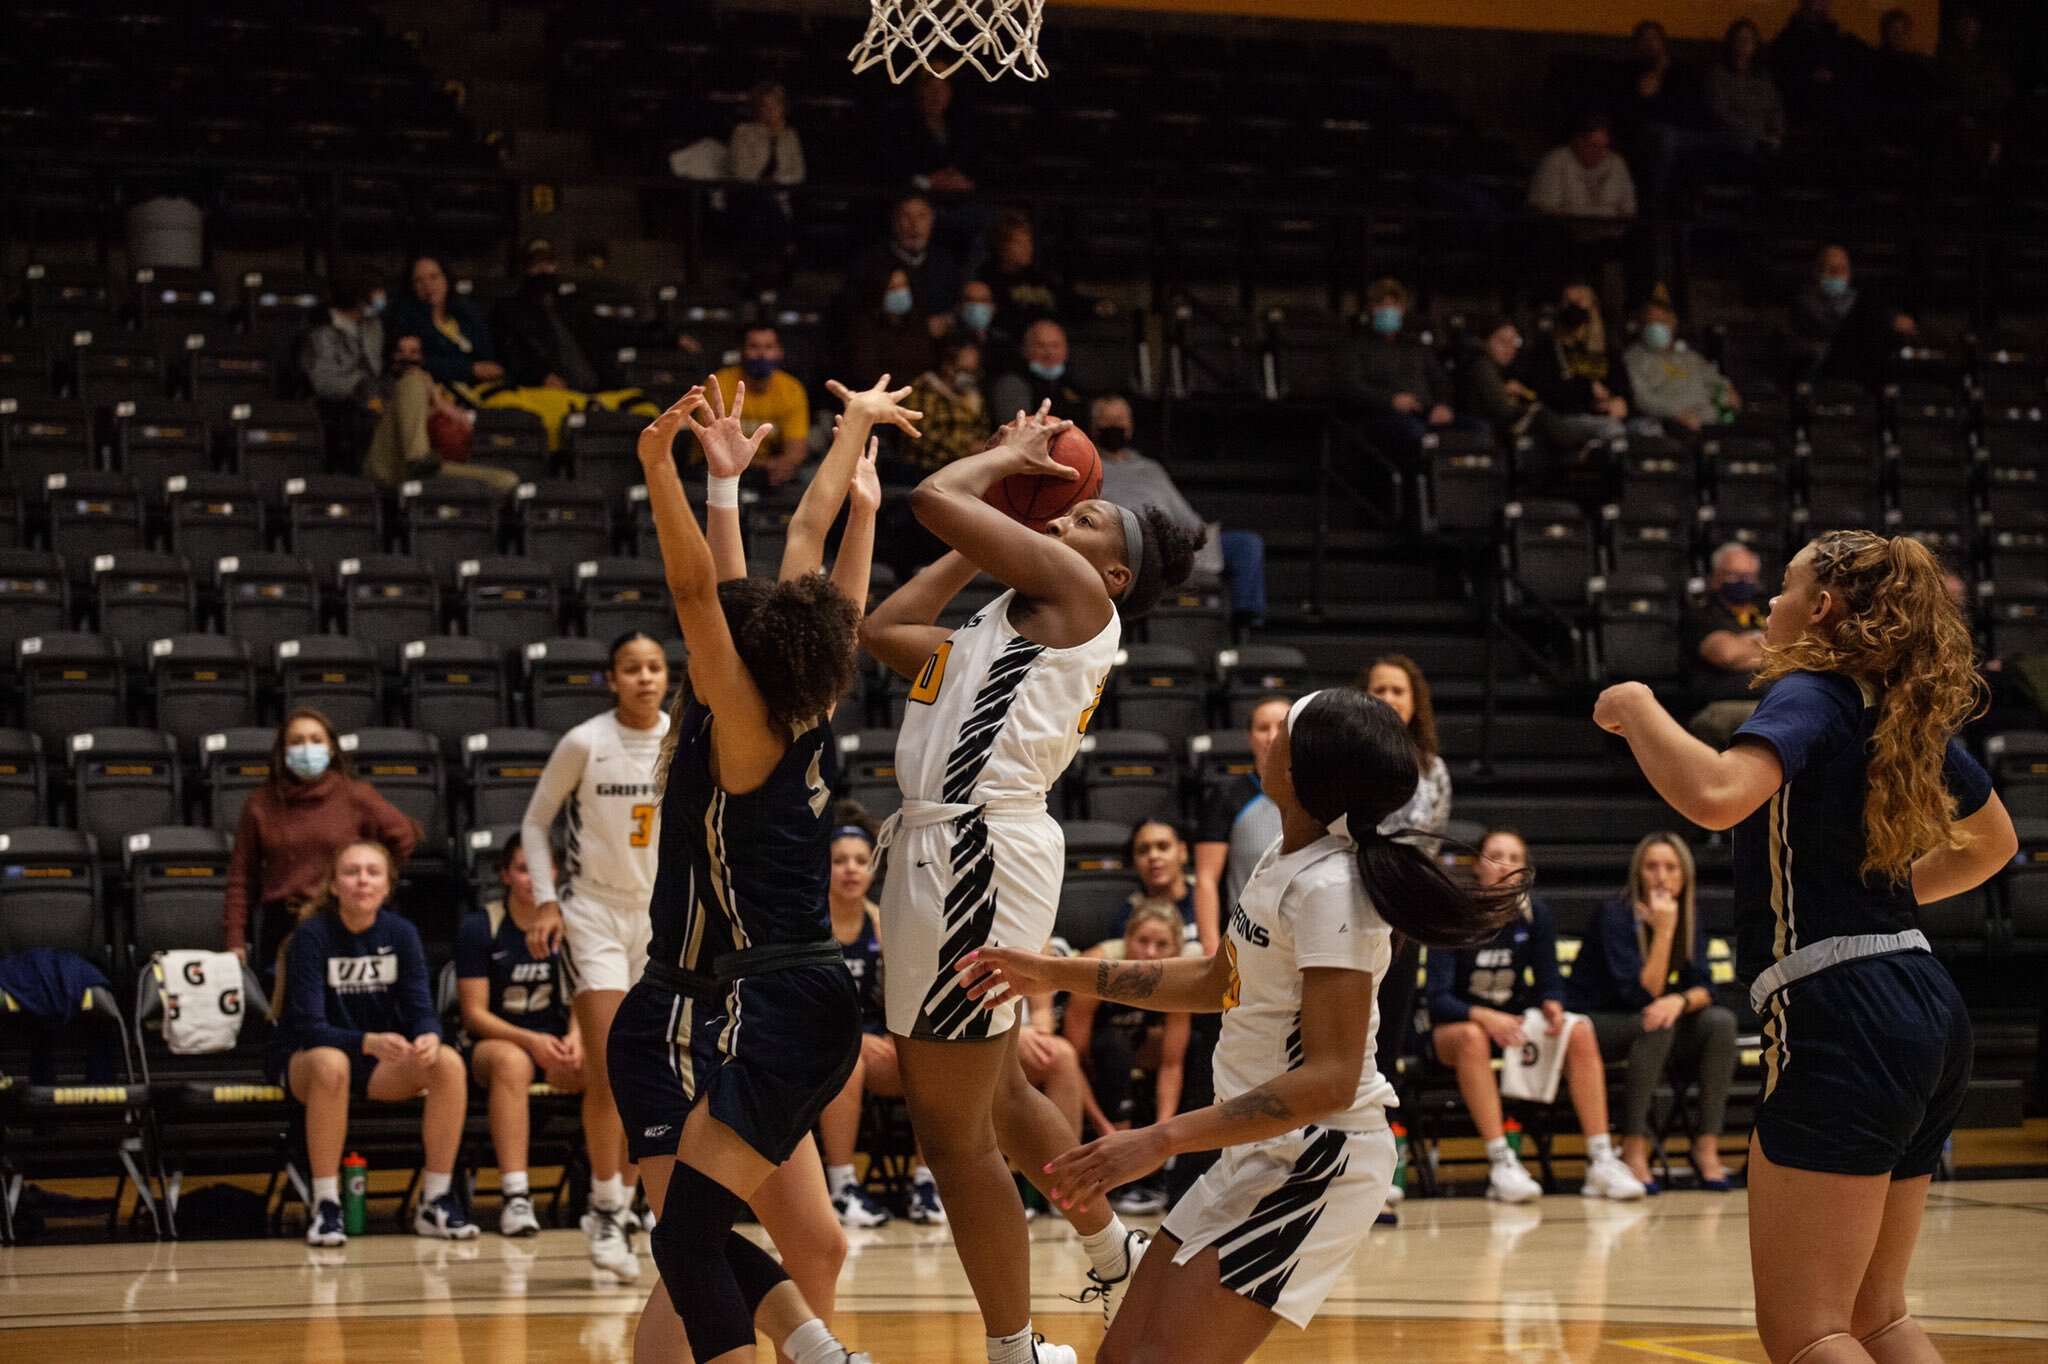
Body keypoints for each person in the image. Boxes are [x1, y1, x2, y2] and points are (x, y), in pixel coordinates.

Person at [955, 687, 1527, 1364]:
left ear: (1308, 769)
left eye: (1283, 731)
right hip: (1256, 1149)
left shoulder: (1333, 892)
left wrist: (1158, 1140)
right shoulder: (1281, 860)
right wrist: (1057, 973)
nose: (1266, 739)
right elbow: (1216, 981)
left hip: (1318, 1160)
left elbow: (1331, 1082)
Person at [1594, 529, 2017, 1364]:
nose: (1772, 608)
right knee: (1878, 1316)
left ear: (1819, 608)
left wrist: (1637, 707)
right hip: (1926, 1001)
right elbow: (1993, 845)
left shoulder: (1810, 692)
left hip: (1839, 1009)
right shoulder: (1901, 708)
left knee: (1811, 1331)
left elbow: (1717, 796)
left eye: (1784, 590)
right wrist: (1875, 893)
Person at [857, 405, 1206, 1362]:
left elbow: (932, 496)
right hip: (952, 849)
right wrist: (987, 527)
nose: (1061, 520)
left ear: (1115, 572)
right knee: (1001, 1093)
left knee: (948, 1128)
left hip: (973, 850)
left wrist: (996, 467)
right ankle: (1109, 1245)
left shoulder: (1081, 597)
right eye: (1056, 514)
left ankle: (1014, 1349)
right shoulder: (998, 635)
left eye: (1085, 519)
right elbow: (879, 627)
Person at [606, 373, 910, 1364]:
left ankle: (792, 1348)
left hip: (744, 1000)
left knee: (687, 1237)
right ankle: (814, 1348)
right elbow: (802, 558)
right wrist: (842, 438)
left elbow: (702, 592)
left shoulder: (738, 730)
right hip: (803, 996)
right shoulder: (814, 694)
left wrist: (661, 468)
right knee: (749, 1235)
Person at [515, 630, 670, 1281]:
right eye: (630, 667)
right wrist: (547, 901)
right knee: (609, 1067)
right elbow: (533, 822)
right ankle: (605, 1207)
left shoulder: (684, 739)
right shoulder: (585, 741)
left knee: (650, 1075)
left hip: (660, 919)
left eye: (654, 667)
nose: (643, 677)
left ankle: (636, 1207)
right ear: (612, 679)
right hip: (595, 916)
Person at [1425, 829, 1646, 1205]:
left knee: (1579, 1029)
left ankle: (1601, 1159)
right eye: (1496, 855)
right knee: (1471, 1037)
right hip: (1453, 1029)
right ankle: (1501, 1162)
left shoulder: (1534, 914)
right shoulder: (1454, 912)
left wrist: (1553, 1006)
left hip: (1509, 1023)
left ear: (1525, 869)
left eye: (1514, 857)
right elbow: (1437, 999)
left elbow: (1550, 983)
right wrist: (1484, 1017)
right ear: (1478, 865)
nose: (1505, 864)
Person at [273, 841, 477, 1245]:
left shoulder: (401, 933)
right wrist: (365, 1041)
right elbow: (309, 1026)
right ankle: (327, 1204)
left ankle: (435, 1201)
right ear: (334, 885)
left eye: (372, 872)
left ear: (387, 886)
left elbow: (421, 1007)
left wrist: (428, 1037)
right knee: (332, 1064)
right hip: (309, 1060)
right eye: (351, 872)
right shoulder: (311, 937)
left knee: (448, 1064)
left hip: (376, 1059)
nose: (362, 880)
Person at [1565, 832, 1738, 1193]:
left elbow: (1706, 985)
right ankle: (1633, 1145)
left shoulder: (1689, 916)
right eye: (1652, 866)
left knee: (1720, 1022)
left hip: (1653, 1023)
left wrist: (1681, 1001)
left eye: (1671, 867)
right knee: (1655, 1024)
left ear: (1684, 875)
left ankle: (1706, 1145)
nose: (1661, 875)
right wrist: (1663, 932)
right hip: (1596, 1024)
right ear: (1638, 873)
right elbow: (1640, 995)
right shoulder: (1614, 914)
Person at [815, 817, 947, 1229]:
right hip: (815, 1044)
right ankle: (840, 1187)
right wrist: (850, 1039)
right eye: (839, 861)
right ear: (824, 869)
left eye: (860, 860)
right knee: (847, 1065)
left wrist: (900, 1039)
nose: (851, 869)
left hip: (870, 1041)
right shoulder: (809, 922)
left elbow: (904, 996)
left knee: (931, 1065)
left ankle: (927, 1184)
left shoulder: (882, 923)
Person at [223, 708, 418, 969]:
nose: (306, 748)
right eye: (296, 742)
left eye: (316, 740)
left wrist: (374, 880)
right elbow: (240, 878)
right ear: (283, 751)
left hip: (342, 918)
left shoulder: (355, 794)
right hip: (283, 925)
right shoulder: (259, 803)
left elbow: (404, 835)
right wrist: (234, 939)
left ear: (331, 749)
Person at [456, 842, 584, 1238]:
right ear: (505, 874)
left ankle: (611, 1197)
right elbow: (474, 1015)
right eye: (524, 869)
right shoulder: (482, 926)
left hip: (555, 1041)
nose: (534, 879)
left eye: (543, 870)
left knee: (607, 1059)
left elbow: (589, 993)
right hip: (496, 1042)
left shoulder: (573, 924)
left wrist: (578, 1037)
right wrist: (531, 1041)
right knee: (513, 1062)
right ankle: (515, 1195)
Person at [1092, 395, 1268, 627]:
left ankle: (1244, 623)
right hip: (1131, 543)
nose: (1116, 426)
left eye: (1121, 420)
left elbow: (1185, 516)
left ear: (1131, 427)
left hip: (1173, 539)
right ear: (1095, 427)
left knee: (1246, 544)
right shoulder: (1090, 465)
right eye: (1109, 420)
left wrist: (1197, 535)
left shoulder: (1150, 468)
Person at [1064, 903, 1193, 1215]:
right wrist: (1104, 1127)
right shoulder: (1098, 965)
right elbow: (1074, 1061)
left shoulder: (1179, 975)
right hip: (1092, 1056)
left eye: (1161, 945)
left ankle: (1164, 1173)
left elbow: (1171, 1064)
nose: (1149, 953)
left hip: (1137, 1043)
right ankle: (1116, 1169)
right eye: (1142, 941)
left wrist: (1164, 1135)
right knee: (1114, 1049)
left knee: (1196, 1047)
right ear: (1126, 938)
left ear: (1175, 948)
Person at [361, 333, 522, 494]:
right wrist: (424, 398)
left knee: (506, 480)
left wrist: (438, 403)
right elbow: (369, 427)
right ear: (390, 355)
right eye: (400, 351)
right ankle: (417, 458)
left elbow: (463, 430)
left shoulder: (439, 391)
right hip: (389, 466)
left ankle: (421, 463)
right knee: (412, 382)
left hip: (432, 467)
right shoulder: (374, 386)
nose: (407, 358)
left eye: (414, 352)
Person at [1193, 696, 1292, 956]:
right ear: (1249, 737)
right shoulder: (1227, 796)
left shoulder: (1318, 795)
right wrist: (1211, 949)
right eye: (1262, 728)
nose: (1272, 736)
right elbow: (1205, 879)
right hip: (1247, 940)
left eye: (1281, 727)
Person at [1340, 277, 1466, 457]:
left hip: (1426, 413)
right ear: (1371, 309)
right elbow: (1350, 388)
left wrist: (1443, 405)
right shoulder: (1355, 345)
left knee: (1477, 429)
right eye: (1382, 305)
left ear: (1402, 310)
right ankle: (1418, 483)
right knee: (1415, 432)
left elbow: (1441, 381)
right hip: (1381, 416)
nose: (1388, 310)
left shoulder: (1416, 345)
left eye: (1394, 305)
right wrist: (1391, 401)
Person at [1792, 244, 1920, 386]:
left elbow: (1878, 315)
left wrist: (1894, 320)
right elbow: (1838, 327)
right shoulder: (1805, 301)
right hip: (1820, 372)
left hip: (1859, 372)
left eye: (1842, 270)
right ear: (1817, 272)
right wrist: (1884, 321)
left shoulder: (1857, 298)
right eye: (1831, 269)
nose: (1836, 274)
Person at [1360, 654, 1452, 847]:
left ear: (1414, 701)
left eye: (1398, 691)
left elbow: (1432, 842)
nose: (1388, 698)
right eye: (1379, 690)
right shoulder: (1342, 758)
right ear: (1364, 697)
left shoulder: (1434, 769)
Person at [489, 238, 602, 393]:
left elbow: (596, 343)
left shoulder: (572, 305)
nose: (543, 269)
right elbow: (512, 353)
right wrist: (541, 376)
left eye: (548, 263)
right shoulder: (510, 309)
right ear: (524, 268)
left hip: (594, 388)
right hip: (546, 390)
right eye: (536, 264)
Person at [846, 193, 964, 341]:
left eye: (921, 216)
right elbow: (854, 312)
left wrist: (948, 321)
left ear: (932, 220)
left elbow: (959, 306)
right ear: (895, 221)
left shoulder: (945, 264)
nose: (914, 225)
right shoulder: (870, 264)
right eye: (906, 216)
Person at [1685, 542, 1769, 747]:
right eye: (1733, 575)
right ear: (1715, 578)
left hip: (1767, 702)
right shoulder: (1702, 613)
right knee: (1774, 724)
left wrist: (1746, 645)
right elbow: (1726, 654)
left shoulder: (1762, 614)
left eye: (1748, 576)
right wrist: (1771, 649)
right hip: (1720, 705)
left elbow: (1793, 649)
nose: (1742, 582)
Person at [708, 325, 811, 487]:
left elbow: (796, 450)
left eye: (769, 347)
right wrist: (765, 465)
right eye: (754, 347)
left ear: (779, 352)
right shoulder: (718, 384)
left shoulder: (792, 389)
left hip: (773, 471)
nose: (762, 354)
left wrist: (781, 466)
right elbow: (717, 447)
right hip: (721, 468)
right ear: (741, 351)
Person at [1625, 297, 1742, 433]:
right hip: (1669, 422)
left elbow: (1715, 381)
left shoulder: (1689, 356)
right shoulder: (1634, 358)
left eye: (1662, 321)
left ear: (1673, 323)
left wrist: (1727, 391)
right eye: (1651, 322)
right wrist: (1675, 414)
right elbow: (1642, 399)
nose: (1657, 326)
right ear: (1641, 325)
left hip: (1709, 419)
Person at [729, 80, 805, 284]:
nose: (771, 111)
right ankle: (786, 247)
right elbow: (741, 172)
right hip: (750, 193)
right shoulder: (743, 132)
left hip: (782, 195)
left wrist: (778, 181)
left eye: (776, 106)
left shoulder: (790, 135)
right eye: (766, 106)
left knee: (772, 202)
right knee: (763, 201)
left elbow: (798, 173)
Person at [392, 255, 505, 389]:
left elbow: (492, 358)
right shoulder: (409, 326)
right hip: (454, 396)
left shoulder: (466, 315)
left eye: (434, 277)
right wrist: (470, 370)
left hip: (496, 387)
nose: (428, 285)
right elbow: (415, 363)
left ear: (446, 279)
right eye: (418, 281)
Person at [1528, 112, 1639, 223]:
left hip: (1612, 238)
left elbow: (1628, 209)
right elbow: (1544, 211)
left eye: (1604, 147)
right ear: (1577, 141)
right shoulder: (1555, 162)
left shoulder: (1616, 163)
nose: (1600, 153)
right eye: (1593, 146)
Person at [1772, 0, 1871, 123]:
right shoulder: (1787, 42)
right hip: (1803, 116)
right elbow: (1783, 77)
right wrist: (1809, 76)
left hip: (1837, 117)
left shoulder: (1842, 40)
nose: (1821, 5)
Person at [1457, 316, 1543, 448]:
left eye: (1514, 342)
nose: (1510, 348)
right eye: (1502, 341)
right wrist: (1530, 408)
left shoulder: (1503, 368)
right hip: (1483, 437)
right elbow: (1504, 411)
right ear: (1486, 341)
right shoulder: (1481, 366)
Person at [848, 267, 937, 394]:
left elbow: (926, 363)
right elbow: (866, 372)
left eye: (903, 286)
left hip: (919, 393)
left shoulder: (917, 323)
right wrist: (910, 382)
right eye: (892, 288)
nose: (900, 292)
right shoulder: (865, 328)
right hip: (881, 396)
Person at [1706, 18, 1786, 155]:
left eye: (1748, 40)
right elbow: (1720, 113)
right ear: (1731, 43)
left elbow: (1775, 108)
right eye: (1738, 39)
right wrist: (1755, 133)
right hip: (1732, 136)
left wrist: (1776, 132)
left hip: (1764, 137)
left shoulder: (1762, 77)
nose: (1743, 45)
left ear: (1755, 45)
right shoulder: (1719, 75)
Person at [990, 320, 1088, 427]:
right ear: (1026, 350)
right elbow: (1015, 429)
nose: (1050, 353)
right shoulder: (1012, 384)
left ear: (1066, 349)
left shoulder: (1076, 381)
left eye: (1055, 345)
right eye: (1041, 346)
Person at [1116, 819, 1198, 941]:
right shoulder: (1128, 917)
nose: (1153, 856)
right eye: (1143, 850)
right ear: (1134, 861)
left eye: (1163, 847)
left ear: (1182, 852)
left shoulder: (1212, 897)